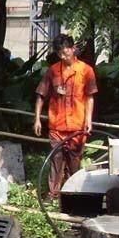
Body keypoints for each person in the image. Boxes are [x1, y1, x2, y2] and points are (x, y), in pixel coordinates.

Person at [34, 34, 98, 198]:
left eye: (66, 52)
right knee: (56, 160)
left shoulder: (86, 71)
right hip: (56, 125)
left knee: (74, 162)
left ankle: (73, 194)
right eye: (60, 53)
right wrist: (37, 119)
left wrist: (88, 120)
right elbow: (41, 94)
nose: (64, 56)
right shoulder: (53, 71)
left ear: (73, 49)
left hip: (77, 125)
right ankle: (53, 194)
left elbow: (90, 97)